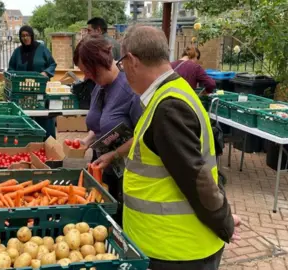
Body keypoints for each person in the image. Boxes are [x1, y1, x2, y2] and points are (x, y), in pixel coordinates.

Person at [117, 25, 241, 270]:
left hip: (176, 252)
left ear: (132, 60)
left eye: (121, 64)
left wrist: (224, 222)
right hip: (171, 247)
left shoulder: (169, 106)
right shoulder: (174, 93)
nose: (123, 72)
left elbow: (197, 178)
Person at [73, 35, 142, 226]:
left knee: (117, 221)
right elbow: (100, 124)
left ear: (99, 63)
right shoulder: (98, 87)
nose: (86, 76)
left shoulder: (130, 90)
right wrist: (87, 141)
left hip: (125, 173)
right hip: (101, 167)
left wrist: (114, 154)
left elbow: (142, 134)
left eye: (87, 70)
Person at [8, 25, 57, 139]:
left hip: (40, 89)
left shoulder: (42, 49)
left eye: (27, 35)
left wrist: (46, 73)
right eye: (23, 36)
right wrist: (15, 77)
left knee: (43, 116)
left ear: (32, 36)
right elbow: (10, 69)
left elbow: (52, 64)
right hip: (22, 91)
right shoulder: (17, 52)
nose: (25, 38)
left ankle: (48, 145)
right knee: (25, 118)